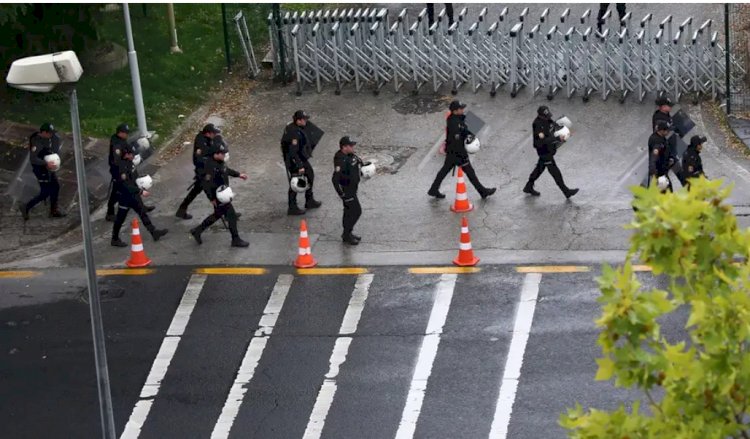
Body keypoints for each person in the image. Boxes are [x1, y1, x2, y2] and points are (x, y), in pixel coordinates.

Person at [428, 100, 496, 199]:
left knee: (444, 171)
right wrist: (463, 153)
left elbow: (464, 128)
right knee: (470, 172)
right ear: (455, 111)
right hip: (457, 153)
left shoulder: (456, 118)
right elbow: (457, 139)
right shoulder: (454, 123)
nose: (463, 110)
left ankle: (433, 190)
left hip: (451, 151)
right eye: (461, 109)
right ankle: (483, 192)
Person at [190, 143, 249, 248]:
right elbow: (206, 184)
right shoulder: (210, 166)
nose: (224, 155)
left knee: (217, 215)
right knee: (231, 216)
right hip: (219, 196)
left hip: (223, 193)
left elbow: (226, 170)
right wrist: (212, 198)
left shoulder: (220, 162)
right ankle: (235, 239)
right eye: (222, 153)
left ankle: (197, 231)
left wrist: (239, 175)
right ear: (216, 154)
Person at [111, 143, 168, 247]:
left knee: (142, 212)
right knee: (120, 218)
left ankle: (153, 232)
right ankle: (114, 239)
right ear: (126, 154)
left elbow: (134, 177)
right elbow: (125, 185)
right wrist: (141, 191)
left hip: (134, 194)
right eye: (132, 154)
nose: (133, 156)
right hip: (124, 196)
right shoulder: (120, 167)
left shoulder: (130, 163)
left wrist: (142, 184)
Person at [523, 106, 579, 198]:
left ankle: (528, 186)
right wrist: (557, 138)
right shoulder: (537, 124)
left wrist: (566, 130)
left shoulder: (547, 120)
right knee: (555, 172)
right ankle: (566, 192)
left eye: (548, 116)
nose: (548, 118)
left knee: (539, 169)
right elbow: (543, 140)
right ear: (540, 116)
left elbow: (554, 126)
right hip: (543, 151)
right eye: (546, 116)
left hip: (549, 149)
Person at [19, 122, 66, 220]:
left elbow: (55, 148)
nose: (51, 135)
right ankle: (26, 206)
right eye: (49, 133)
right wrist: (46, 163)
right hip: (40, 169)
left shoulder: (50, 138)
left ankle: (54, 210)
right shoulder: (36, 142)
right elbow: (33, 159)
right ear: (43, 132)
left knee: (55, 187)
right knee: (45, 192)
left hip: (49, 167)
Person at [175, 123, 221, 220]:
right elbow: (201, 158)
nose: (215, 135)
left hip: (206, 169)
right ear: (208, 134)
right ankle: (223, 212)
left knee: (196, 191)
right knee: (213, 190)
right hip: (203, 171)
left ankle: (181, 210)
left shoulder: (207, 138)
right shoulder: (201, 141)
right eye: (214, 133)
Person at [281, 110, 322, 215]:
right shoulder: (294, 133)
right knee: (295, 183)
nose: (306, 121)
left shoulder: (293, 127)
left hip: (299, 157)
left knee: (310, 175)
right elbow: (292, 152)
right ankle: (292, 207)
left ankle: (309, 200)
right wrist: (299, 166)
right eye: (304, 119)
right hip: (294, 160)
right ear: (298, 121)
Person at [332, 136, 364, 245]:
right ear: (344, 147)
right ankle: (346, 234)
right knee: (356, 211)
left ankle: (348, 233)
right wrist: (342, 194)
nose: (353, 147)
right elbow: (335, 179)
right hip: (347, 190)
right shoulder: (340, 159)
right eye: (351, 145)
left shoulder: (350, 155)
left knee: (348, 212)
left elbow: (356, 164)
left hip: (353, 188)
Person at [652, 96, 687, 186]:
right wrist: (675, 129)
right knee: (662, 174)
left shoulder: (665, 115)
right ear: (663, 107)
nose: (671, 107)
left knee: (677, 172)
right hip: (663, 151)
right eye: (669, 105)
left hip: (669, 149)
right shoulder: (658, 118)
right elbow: (663, 133)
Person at [648, 120, 674, 192]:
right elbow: (654, 156)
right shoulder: (656, 141)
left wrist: (670, 158)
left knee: (666, 192)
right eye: (667, 130)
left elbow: (666, 149)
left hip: (663, 172)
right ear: (662, 130)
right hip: (659, 173)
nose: (668, 132)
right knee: (666, 194)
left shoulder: (662, 138)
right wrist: (653, 171)